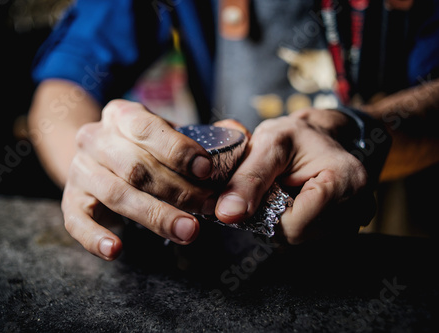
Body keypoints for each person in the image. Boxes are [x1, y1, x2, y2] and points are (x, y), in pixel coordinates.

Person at [27, 0, 439, 261]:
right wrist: (100, 166)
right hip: (233, 246)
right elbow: (64, 88)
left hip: (409, 221)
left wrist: (357, 129)